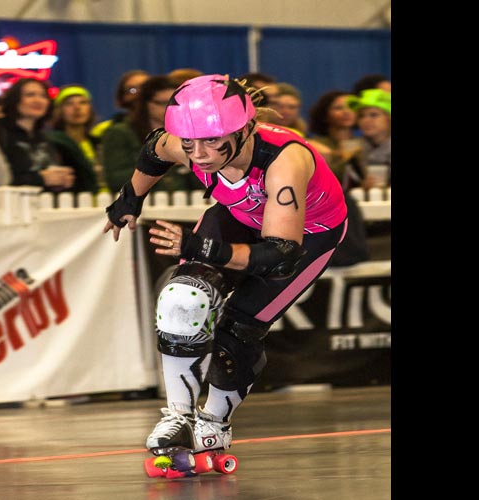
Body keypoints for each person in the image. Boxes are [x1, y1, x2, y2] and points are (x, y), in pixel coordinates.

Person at [102, 74, 349, 463]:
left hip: (308, 234)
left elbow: (280, 255)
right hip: (240, 215)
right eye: (189, 143)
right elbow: (154, 150)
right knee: (183, 298)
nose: (199, 154)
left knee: (238, 329)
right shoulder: (186, 144)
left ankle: (214, 423)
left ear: (245, 129)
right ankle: (178, 417)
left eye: (212, 141)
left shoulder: (285, 160)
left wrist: (200, 247)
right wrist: (129, 199)